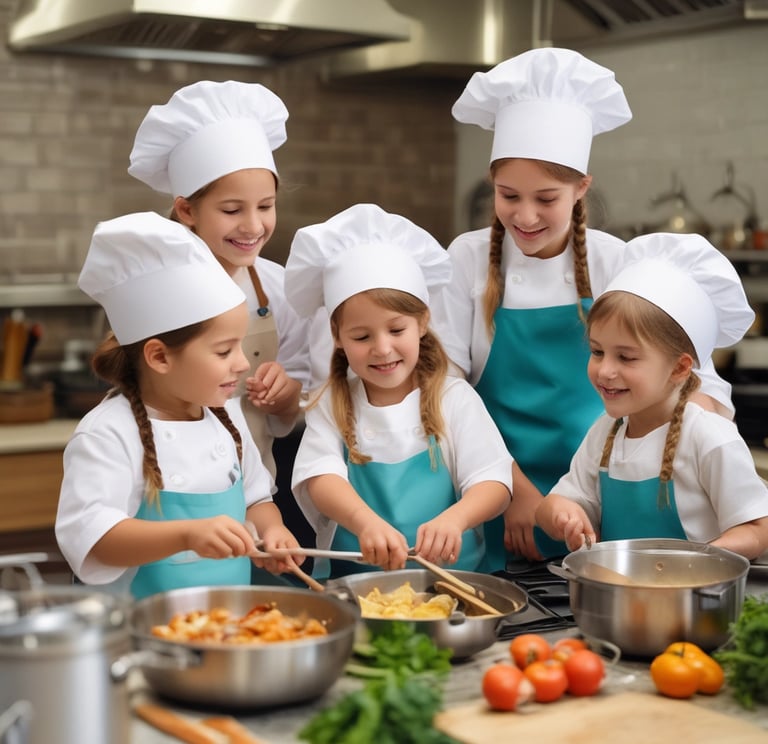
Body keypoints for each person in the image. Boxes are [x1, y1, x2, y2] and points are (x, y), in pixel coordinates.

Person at [430, 47, 751, 567]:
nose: (526, 215)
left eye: (547, 198)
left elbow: (696, 382)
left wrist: (699, 455)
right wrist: (515, 495)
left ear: (581, 188)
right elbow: (446, 389)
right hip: (488, 487)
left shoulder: (617, 261)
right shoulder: (466, 259)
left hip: (603, 494)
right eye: (508, 195)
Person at [56, 212, 302, 599]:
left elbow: (256, 499)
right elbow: (93, 537)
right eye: (224, 350)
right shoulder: (107, 432)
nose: (242, 363)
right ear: (159, 357)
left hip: (228, 622)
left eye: (240, 346)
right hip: (141, 634)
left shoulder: (227, 416)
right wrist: (187, 534)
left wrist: (271, 530)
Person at [127, 80, 312, 546]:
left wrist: (287, 396)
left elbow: (302, 400)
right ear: (187, 209)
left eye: (266, 207)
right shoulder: (153, 289)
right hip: (161, 497)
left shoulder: (278, 287)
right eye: (232, 210)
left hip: (254, 493)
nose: (253, 226)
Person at [284, 203, 513, 578]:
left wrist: (456, 519)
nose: (383, 348)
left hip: (454, 581)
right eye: (361, 336)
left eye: (396, 330)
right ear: (337, 337)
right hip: (355, 583)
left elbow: (493, 481)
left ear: (423, 321)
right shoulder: (332, 403)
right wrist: (363, 522)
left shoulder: (453, 398)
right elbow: (319, 476)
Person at [535, 233, 768, 561]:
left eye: (626, 358)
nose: (605, 370)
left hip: (698, 603)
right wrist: (564, 514)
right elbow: (550, 506)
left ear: (679, 367)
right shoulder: (606, 433)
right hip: (620, 602)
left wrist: (701, 559)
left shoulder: (708, 436)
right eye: (598, 351)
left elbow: (759, 528)